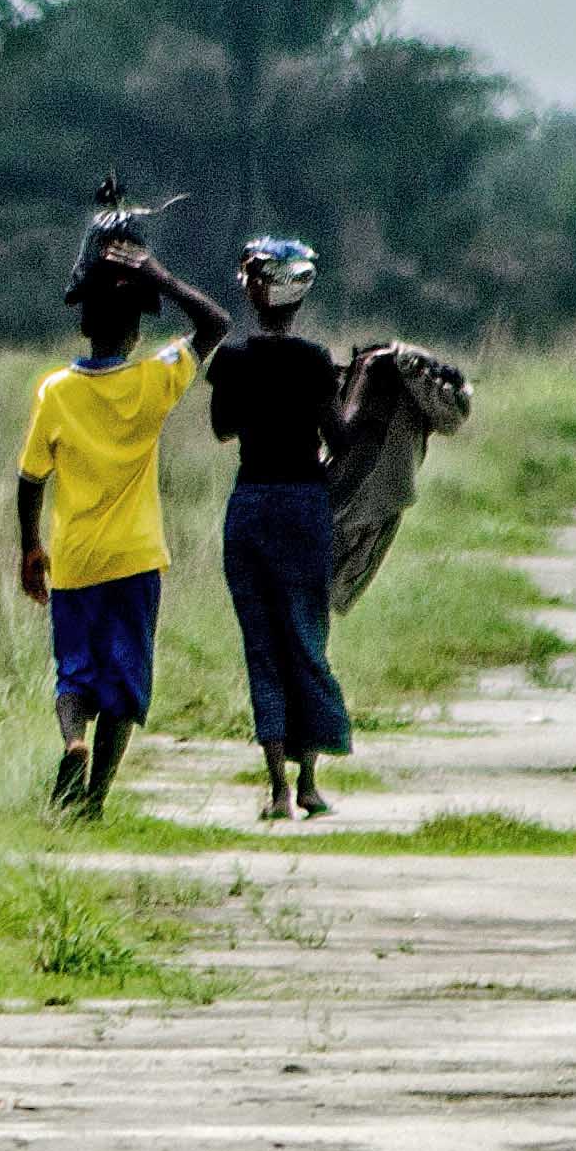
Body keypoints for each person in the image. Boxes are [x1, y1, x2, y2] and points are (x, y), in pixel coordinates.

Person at [14, 208, 228, 817]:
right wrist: (158, 275)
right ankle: (96, 801)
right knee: (125, 682)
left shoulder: (56, 391)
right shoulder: (154, 381)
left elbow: (30, 480)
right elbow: (215, 323)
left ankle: (72, 742)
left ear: (83, 323)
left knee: (74, 674)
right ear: (136, 330)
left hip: (76, 560)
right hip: (136, 560)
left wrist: (31, 547)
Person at [201, 236, 362, 819]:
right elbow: (340, 438)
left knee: (262, 647)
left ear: (253, 292)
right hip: (303, 507)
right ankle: (309, 784)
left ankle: (275, 790)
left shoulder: (231, 361)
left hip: (250, 507)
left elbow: (223, 430)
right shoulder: (314, 361)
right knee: (305, 637)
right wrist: (356, 390)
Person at [324, 330, 470, 612]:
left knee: (328, 593)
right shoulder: (358, 373)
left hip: (379, 496)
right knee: (315, 592)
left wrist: (408, 367)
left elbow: (453, 416)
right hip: (346, 494)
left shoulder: (411, 376)